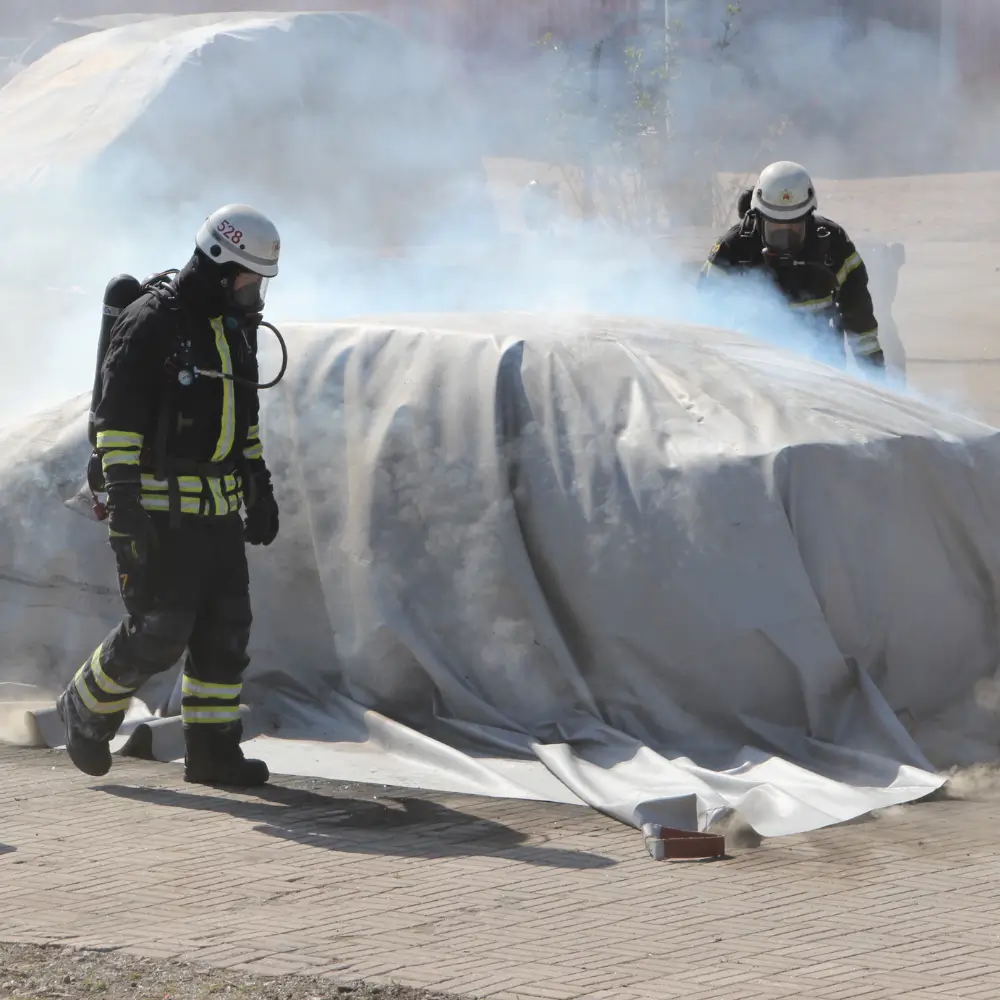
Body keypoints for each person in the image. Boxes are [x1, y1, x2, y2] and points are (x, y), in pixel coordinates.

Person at [57, 204, 282, 786]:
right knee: (159, 630)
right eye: (247, 281)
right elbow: (116, 423)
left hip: (218, 513)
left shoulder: (236, 329)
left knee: (225, 632)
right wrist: (125, 510)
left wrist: (259, 488)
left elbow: (245, 419)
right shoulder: (150, 322)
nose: (254, 295)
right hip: (158, 511)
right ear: (217, 267)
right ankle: (83, 708)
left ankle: (212, 752)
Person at [700, 161, 885, 373]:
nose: (785, 234)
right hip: (752, 372)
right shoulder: (733, 250)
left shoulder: (833, 246)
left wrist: (877, 377)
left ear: (809, 217)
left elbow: (860, 319)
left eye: (794, 225)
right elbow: (704, 322)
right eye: (775, 226)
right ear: (758, 218)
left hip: (824, 372)